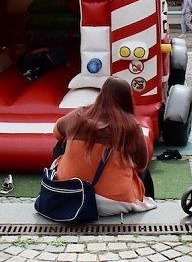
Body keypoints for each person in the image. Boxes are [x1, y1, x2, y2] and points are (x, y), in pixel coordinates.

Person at [52, 76, 156, 216]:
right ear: (127, 98)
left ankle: (54, 186)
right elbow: (141, 166)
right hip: (115, 203)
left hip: (71, 195)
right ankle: (151, 213)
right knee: (142, 168)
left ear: (101, 94)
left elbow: (57, 133)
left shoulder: (80, 114)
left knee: (60, 145)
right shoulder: (132, 126)